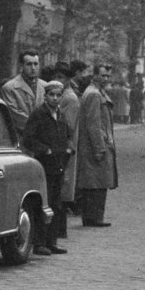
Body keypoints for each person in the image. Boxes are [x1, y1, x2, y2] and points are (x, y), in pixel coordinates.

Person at [21, 81, 72, 255]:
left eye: (58, 95)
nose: (55, 99)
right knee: (45, 203)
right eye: (52, 95)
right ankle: (39, 242)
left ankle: (52, 241)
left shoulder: (61, 114)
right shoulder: (38, 114)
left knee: (56, 204)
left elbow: (68, 134)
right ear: (46, 96)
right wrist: (45, 150)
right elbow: (28, 138)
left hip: (59, 164)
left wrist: (68, 148)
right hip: (44, 165)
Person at [76, 62, 119, 227]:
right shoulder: (94, 94)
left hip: (97, 144)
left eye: (108, 76)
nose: (106, 78)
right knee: (96, 183)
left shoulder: (97, 92)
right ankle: (94, 218)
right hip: (96, 146)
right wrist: (99, 148)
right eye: (103, 75)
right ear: (94, 75)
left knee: (97, 182)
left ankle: (93, 217)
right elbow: (94, 124)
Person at [59, 61, 85, 215]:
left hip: (64, 145)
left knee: (64, 183)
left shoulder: (70, 97)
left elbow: (68, 127)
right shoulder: (62, 93)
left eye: (61, 77)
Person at [1, 50, 45, 120]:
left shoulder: (45, 86)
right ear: (22, 66)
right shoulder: (9, 87)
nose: (33, 68)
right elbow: (15, 115)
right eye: (29, 64)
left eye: (35, 64)